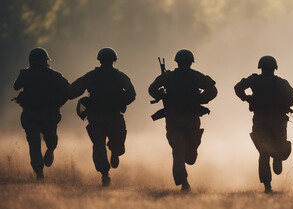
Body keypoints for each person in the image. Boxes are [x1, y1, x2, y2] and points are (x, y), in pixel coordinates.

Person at [149, 49, 217, 192]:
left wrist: (161, 94)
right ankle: (184, 181)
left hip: (174, 119)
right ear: (191, 63)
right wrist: (201, 99)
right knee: (187, 153)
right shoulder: (196, 76)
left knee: (179, 151)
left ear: (177, 62)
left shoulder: (169, 76)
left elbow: (152, 89)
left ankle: (183, 179)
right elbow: (213, 90)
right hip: (191, 118)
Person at [69, 47, 136, 187]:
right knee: (117, 140)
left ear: (99, 60)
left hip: (96, 117)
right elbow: (132, 94)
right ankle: (115, 152)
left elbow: (74, 89)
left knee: (98, 146)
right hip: (114, 116)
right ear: (114, 61)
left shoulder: (92, 75)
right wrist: (120, 101)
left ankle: (105, 174)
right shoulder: (120, 76)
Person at [234, 56, 293, 193]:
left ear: (260, 68)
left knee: (264, 153)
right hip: (278, 121)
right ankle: (278, 157)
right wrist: (282, 104)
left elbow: (238, 88)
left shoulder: (254, 80)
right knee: (278, 146)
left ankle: (267, 185)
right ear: (275, 68)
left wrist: (247, 98)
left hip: (261, 121)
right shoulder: (281, 83)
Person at [13, 47, 70, 180]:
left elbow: (16, 86)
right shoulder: (54, 75)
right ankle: (50, 150)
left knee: (34, 143)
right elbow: (68, 90)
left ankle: (39, 172)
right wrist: (58, 103)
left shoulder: (26, 74)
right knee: (50, 139)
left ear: (30, 60)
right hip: (49, 114)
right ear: (46, 60)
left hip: (30, 114)